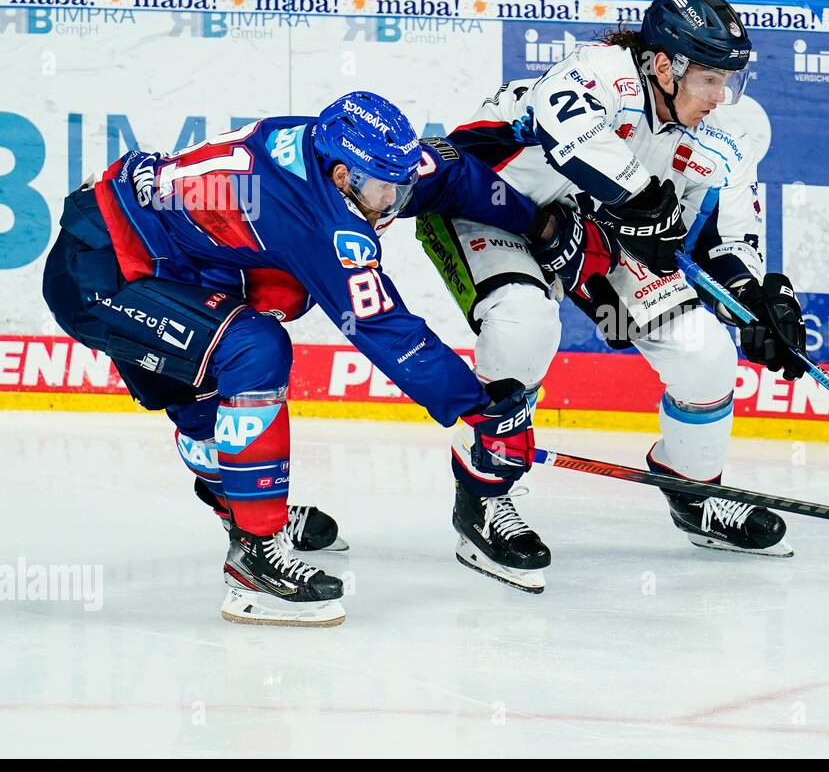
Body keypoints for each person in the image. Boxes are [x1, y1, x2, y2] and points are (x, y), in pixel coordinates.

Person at [42, 91, 548, 622]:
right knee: (252, 348)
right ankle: (254, 558)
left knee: (252, 335)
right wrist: (478, 406)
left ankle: (248, 507)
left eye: (401, 185)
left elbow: (453, 176)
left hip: (177, 259)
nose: (394, 202)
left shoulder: (361, 160)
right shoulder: (315, 217)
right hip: (106, 274)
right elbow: (388, 333)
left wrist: (538, 225)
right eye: (382, 190)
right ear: (339, 176)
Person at [417, 0, 808, 580]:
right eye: (709, 79)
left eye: (727, 80)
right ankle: (484, 495)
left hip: (588, 231)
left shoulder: (726, 132)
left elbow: (725, 236)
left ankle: (691, 486)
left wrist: (759, 302)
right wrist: (642, 197)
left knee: (704, 352)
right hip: (486, 204)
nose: (719, 96)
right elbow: (565, 132)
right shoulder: (600, 71)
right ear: (663, 66)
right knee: (525, 322)